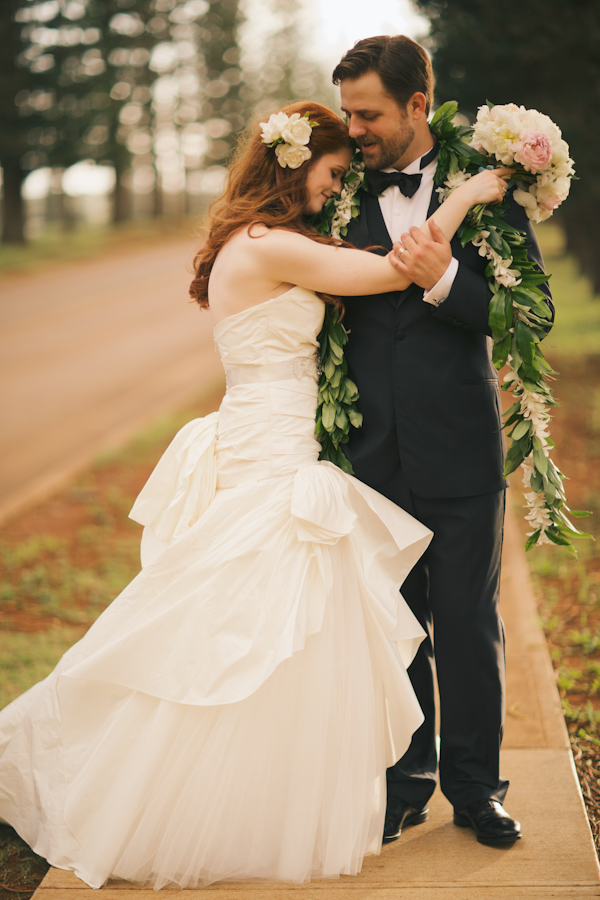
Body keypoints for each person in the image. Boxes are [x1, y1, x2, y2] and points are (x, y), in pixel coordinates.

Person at [0, 101, 510, 889]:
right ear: (293, 163)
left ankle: (260, 786)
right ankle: (176, 790)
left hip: (267, 441)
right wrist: (467, 197)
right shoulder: (272, 247)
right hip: (272, 453)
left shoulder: (262, 242)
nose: (335, 187)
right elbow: (388, 270)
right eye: (332, 173)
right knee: (242, 626)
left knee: (248, 626)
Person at [332, 35, 554, 846]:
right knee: (392, 630)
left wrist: (448, 282)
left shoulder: (489, 194)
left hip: (461, 449)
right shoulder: (329, 190)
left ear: (418, 106)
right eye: (349, 111)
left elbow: (530, 315)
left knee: (466, 626)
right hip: (367, 456)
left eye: (370, 113)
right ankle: (403, 785)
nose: (354, 127)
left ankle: (474, 789)